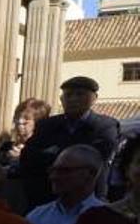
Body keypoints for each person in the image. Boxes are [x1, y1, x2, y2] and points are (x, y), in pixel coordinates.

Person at [20, 76, 120, 209]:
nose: (73, 99)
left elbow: (95, 159)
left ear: (94, 98)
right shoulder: (46, 125)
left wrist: (51, 154)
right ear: (61, 99)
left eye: (80, 94)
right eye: (68, 95)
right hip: (46, 199)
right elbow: (28, 157)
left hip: (88, 201)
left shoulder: (105, 126)